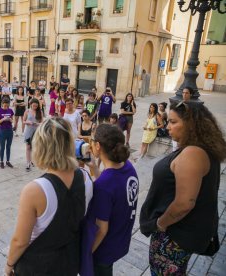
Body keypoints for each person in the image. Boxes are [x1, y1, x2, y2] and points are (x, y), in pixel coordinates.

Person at [140, 102, 226, 275]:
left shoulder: (193, 153)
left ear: (191, 124)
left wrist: (160, 224)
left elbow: (185, 203)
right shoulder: (200, 148)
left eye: (173, 122)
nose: (167, 126)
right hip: (179, 233)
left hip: (174, 236)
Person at [5, 117, 93, 276]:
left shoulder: (34, 190)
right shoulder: (86, 178)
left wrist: (9, 265)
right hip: (70, 263)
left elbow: (20, 241)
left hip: (36, 267)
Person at [81, 123, 138, 276]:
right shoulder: (128, 167)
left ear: (98, 146)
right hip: (119, 241)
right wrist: (94, 168)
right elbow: (113, 190)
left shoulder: (103, 185)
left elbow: (101, 229)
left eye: (92, 139)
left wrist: (85, 255)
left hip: (102, 250)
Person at [23, 99, 43, 172]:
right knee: (28, 147)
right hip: (28, 131)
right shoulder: (27, 111)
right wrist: (27, 122)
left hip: (37, 131)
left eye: (36, 105)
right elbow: (23, 121)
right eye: (33, 105)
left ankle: (32, 160)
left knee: (35, 147)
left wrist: (36, 124)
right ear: (31, 104)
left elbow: (42, 122)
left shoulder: (40, 111)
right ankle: (28, 163)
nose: (35, 106)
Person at [0, 98, 14, 169]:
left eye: (7, 106)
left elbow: (12, 120)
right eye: (4, 106)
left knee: (8, 147)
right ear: (2, 104)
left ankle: (8, 161)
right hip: (2, 131)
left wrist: (10, 119)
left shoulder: (10, 110)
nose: (6, 107)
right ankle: (1, 161)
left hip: (9, 130)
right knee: (2, 147)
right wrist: (3, 119)